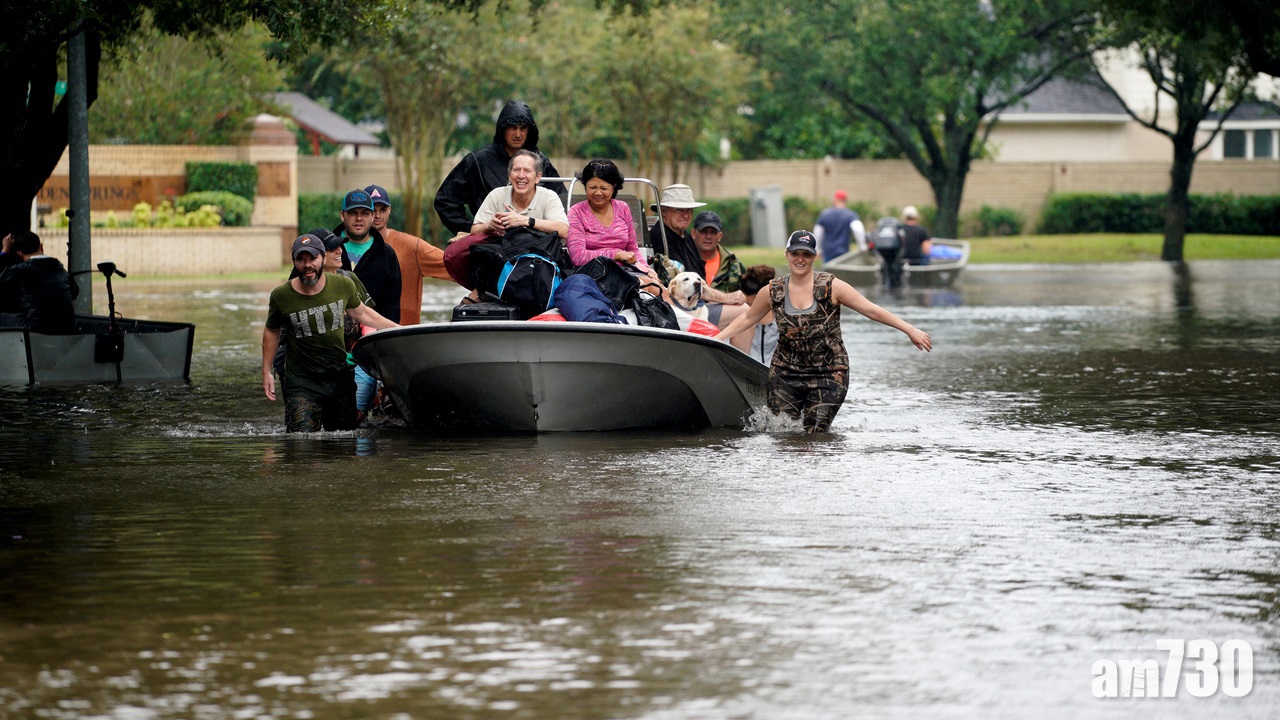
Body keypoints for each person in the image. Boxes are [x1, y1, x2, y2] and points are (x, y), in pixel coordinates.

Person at [714, 230, 931, 433]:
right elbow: (747, 318)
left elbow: (871, 310)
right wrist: (716, 339)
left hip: (828, 373)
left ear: (815, 256)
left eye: (806, 254)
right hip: (786, 373)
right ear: (787, 254)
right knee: (780, 434)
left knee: (815, 434)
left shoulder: (832, 287)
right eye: (795, 253)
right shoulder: (772, 291)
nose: (800, 259)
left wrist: (910, 329)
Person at [262, 233, 399, 433]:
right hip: (302, 384)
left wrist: (398, 329)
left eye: (312, 259)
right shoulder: (281, 296)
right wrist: (266, 370)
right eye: (301, 259)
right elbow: (272, 330)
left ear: (323, 259)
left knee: (342, 444)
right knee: (302, 445)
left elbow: (362, 313)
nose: (307, 265)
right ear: (294, 262)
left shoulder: (343, 285)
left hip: (339, 379)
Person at [443, 150, 572, 296]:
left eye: (527, 171)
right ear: (509, 175)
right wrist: (490, 226)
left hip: (537, 264)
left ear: (537, 177)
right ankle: (484, 289)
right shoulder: (497, 194)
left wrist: (525, 221)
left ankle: (484, 291)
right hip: (502, 257)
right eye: (516, 170)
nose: (521, 175)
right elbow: (474, 230)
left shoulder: (548, 196)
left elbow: (563, 230)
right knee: (458, 250)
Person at [434, 100, 567, 236]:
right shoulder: (478, 161)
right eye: (512, 128)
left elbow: (564, 202)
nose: (518, 134)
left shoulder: (541, 161)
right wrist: (471, 230)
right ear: (502, 129)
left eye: (523, 128)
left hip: (538, 243)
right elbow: (445, 200)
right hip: (491, 243)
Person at [364, 184, 451, 325]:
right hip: (362, 337)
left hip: (403, 334)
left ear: (390, 210)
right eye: (372, 210)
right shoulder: (344, 249)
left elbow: (454, 266)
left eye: (383, 209)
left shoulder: (413, 247)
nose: (378, 215)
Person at [566, 159, 652, 274]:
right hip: (594, 274)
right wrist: (616, 254)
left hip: (627, 272)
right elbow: (578, 256)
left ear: (614, 187)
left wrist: (647, 269)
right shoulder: (576, 212)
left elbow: (632, 249)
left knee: (657, 287)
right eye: (592, 187)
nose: (598, 193)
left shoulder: (623, 208)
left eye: (604, 188)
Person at [331, 189, 403, 324]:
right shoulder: (325, 248)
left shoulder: (387, 255)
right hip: (331, 338)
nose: (359, 218)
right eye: (353, 213)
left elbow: (392, 309)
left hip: (372, 336)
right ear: (342, 215)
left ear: (372, 216)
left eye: (365, 213)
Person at [0, 230, 78, 333]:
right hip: (67, 326)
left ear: (19, 254)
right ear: (41, 247)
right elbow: (74, 292)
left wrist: (5, 250)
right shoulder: (61, 270)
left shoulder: (22, 269)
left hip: (37, 328)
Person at [690, 211, 747, 321]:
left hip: (725, 322)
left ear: (719, 236)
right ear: (693, 233)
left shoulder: (732, 263)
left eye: (713, 232)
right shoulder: (685, 258)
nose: (708, 236)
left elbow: (747, 297)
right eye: (703, 231)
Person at [647, 183, 704, 286]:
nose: (686, 215)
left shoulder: (686, 236)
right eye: (679, 210)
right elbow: (682, 284)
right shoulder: (660, 237)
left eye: (689, 210)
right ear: (663, 211)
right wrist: (725, 298)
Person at [729, 264, 778, 364]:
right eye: (748, 304)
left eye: (757, 304)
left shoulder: (785, 319)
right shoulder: (737, 321)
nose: (752, 309)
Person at [813, 189, 866, 261]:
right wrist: (862, 246)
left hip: (828, 252)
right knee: (841, 271)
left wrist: (818, 249)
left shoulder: (825, 214)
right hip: (843, 252)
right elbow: (858, 230)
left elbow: (818, 232)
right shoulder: (850, 215)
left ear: (836, 199)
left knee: (828, 271)